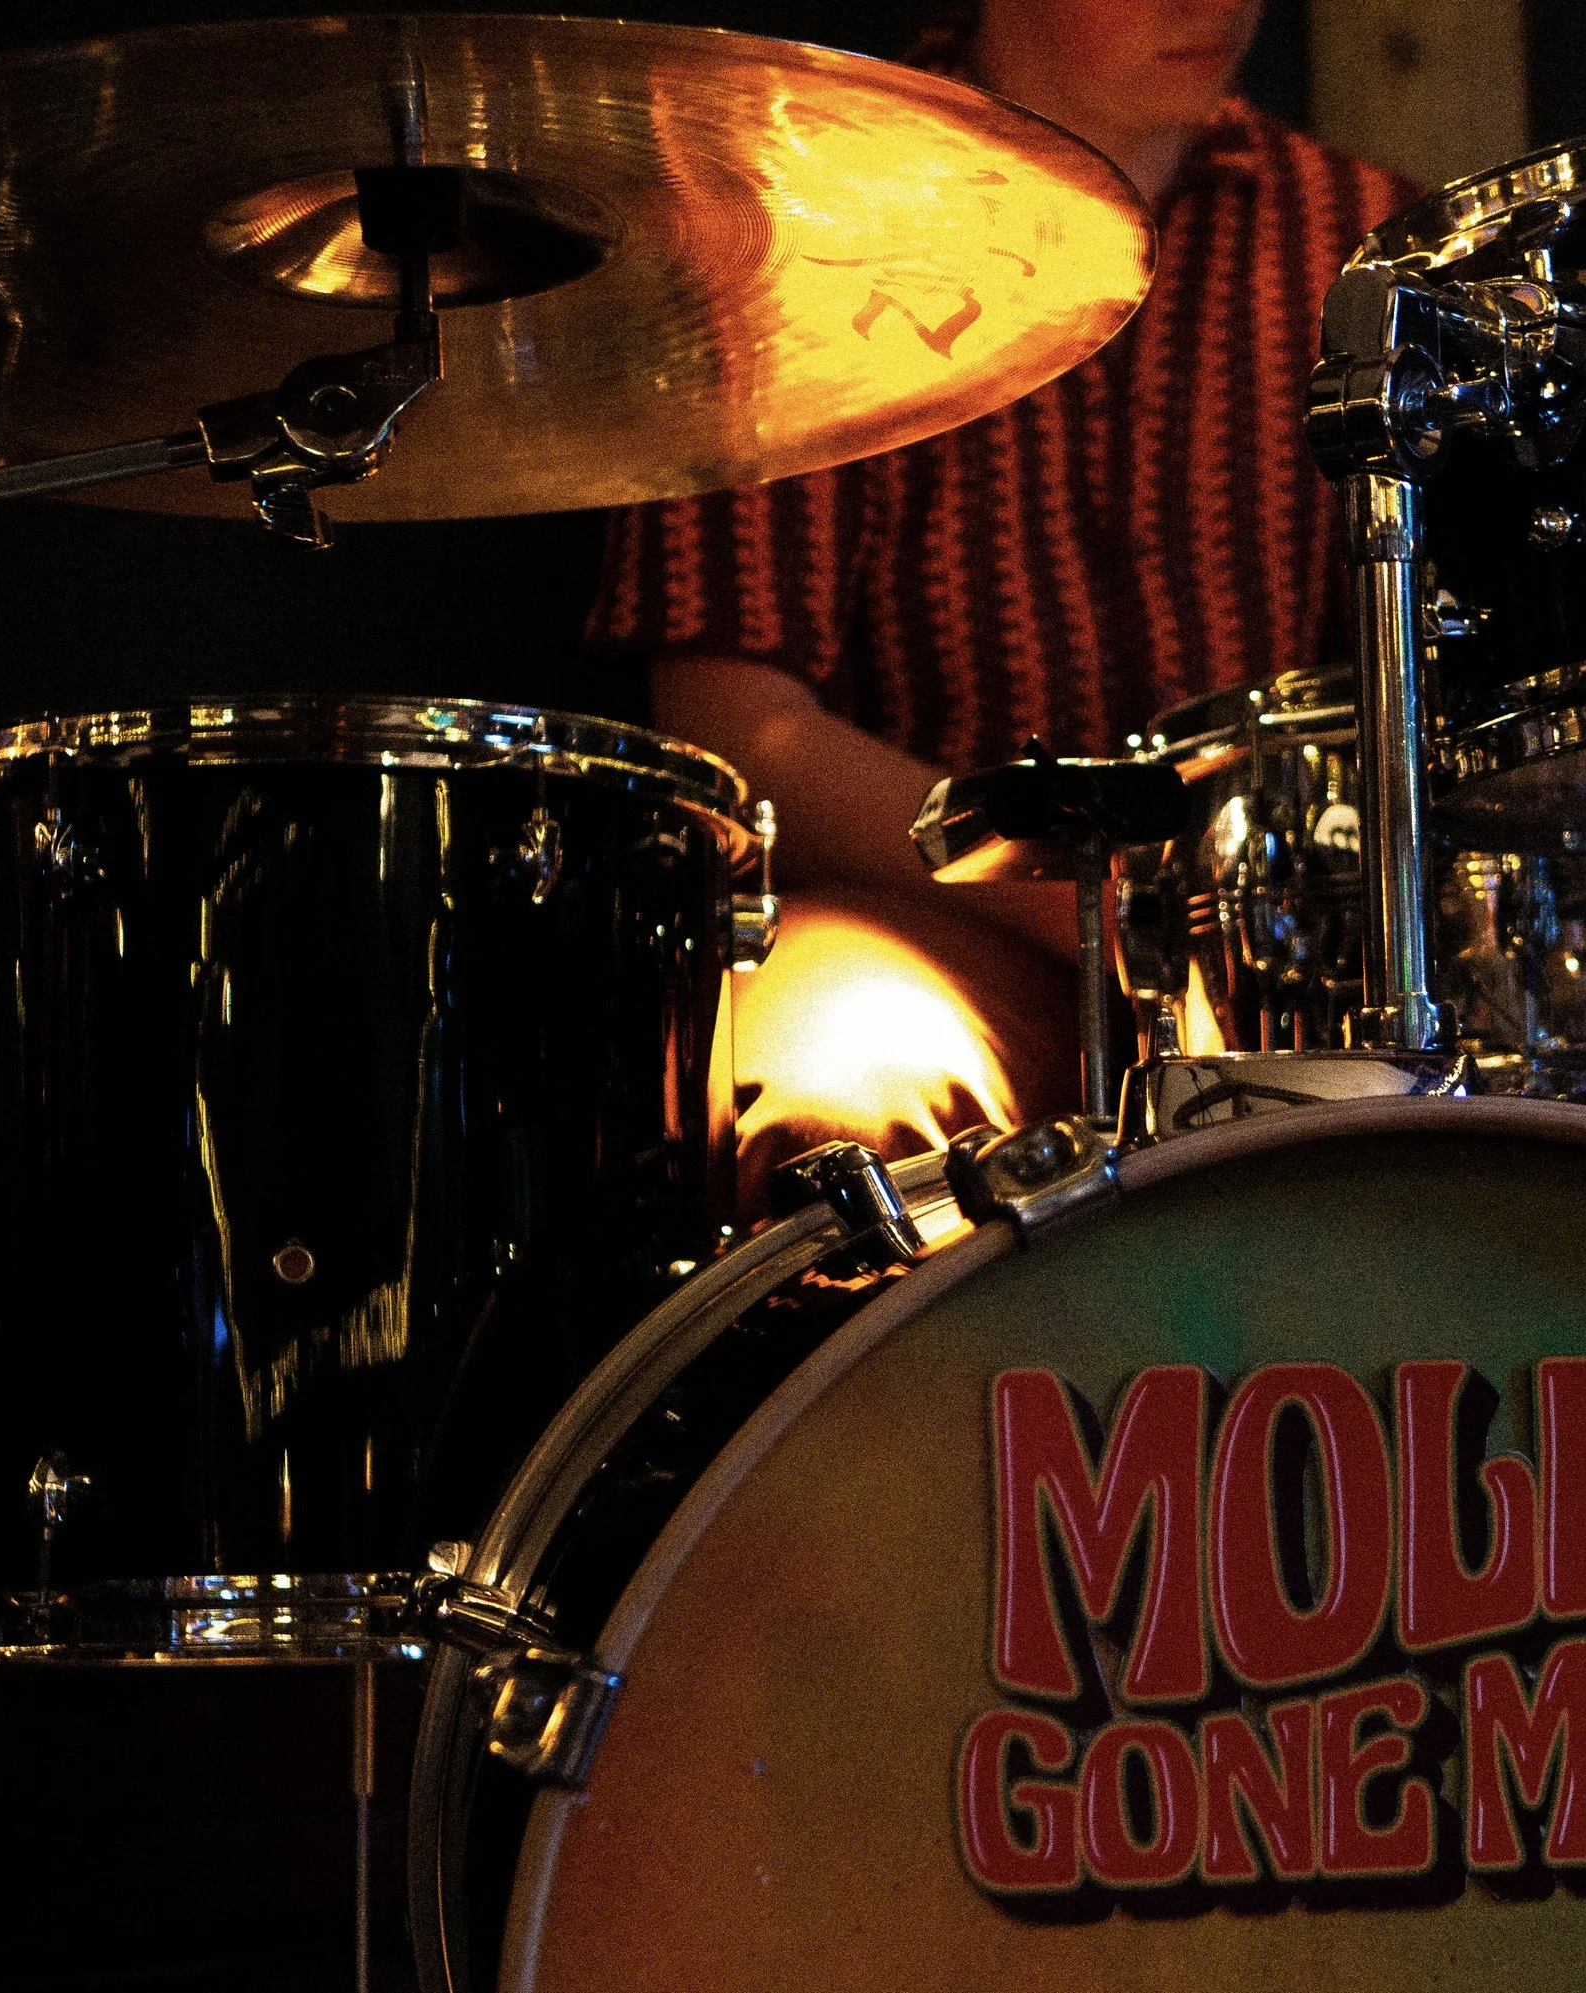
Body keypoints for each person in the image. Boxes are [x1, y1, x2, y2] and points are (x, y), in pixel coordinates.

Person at [591, 0, 1417, 1193]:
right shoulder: (802, 211)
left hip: (1288, 959)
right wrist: (1085, 896)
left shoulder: (1366, 243)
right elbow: (736, 726)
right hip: (929, 920)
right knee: (834, 1086)